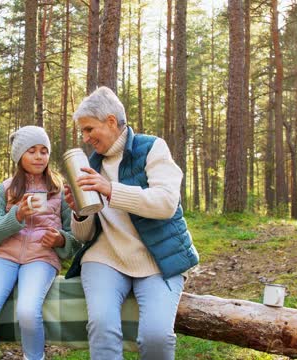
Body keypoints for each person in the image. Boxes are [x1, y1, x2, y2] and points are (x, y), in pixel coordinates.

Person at [64, 87, 199, 360]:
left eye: (89, 129)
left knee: (156, 338)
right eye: (83, 132)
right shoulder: (91, 163)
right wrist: (79, 212)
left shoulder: (152, 148)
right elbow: (84, 235)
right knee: (102, 328)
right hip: (106, 257)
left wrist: (110, 189)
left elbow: (165, 203)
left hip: (157, 258)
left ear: (111, 121)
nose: (86, 138)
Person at [0, 125, 77, 360]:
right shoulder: (3, 190)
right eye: (32, 151)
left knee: (28, 312)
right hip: (3, 257)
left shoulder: (60, 192)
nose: (39, 156)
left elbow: (75, 236)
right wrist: (17, 215)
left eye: (43, 151)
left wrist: (60, 240)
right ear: (19, 155)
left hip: (41, 258)